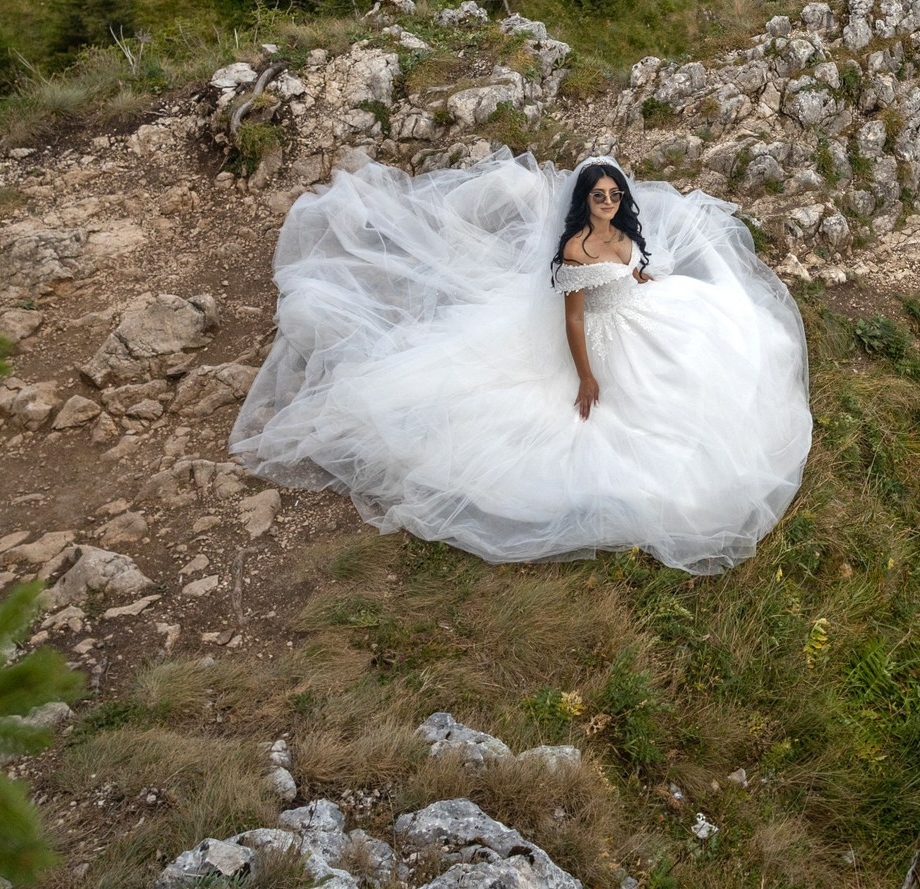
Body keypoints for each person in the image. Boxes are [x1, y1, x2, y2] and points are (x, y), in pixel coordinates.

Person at [229, 150, 812, 573]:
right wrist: (586, 375)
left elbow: (629, 270)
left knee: (737, 337)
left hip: (644, 310)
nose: (607, 203)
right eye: (597, 195)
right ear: (584, 200)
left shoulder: (622, 234)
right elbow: (575, 318)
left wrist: (641, 275)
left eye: (614, 195)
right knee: (637, 416)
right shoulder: (574, 248)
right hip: (607, 338)